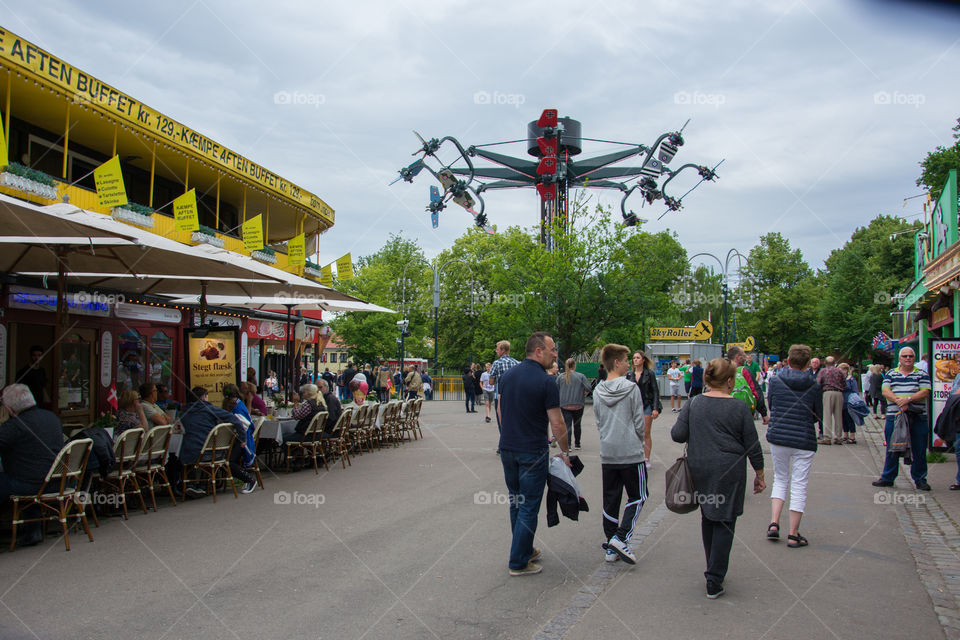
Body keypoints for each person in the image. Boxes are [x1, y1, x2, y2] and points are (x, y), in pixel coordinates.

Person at [671, 358, 765, 599]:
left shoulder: (693, 403)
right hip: (729, 470)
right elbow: (752, 444)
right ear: (731, 381)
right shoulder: (739, 407)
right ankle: (714, 577)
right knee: (724, 520)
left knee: (709, 516)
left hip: (700, 467)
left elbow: (677, 435)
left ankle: (713, 565)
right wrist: (760, 473)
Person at [498, 332, 569, 576]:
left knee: (516, 500)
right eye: (552, 349)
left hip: (508, 447)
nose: (555, 354)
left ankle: (524, 549)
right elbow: (557, 423)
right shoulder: (546, 381)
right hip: (532, 450)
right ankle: (518, 562)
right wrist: (566, 451)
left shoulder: (507, 376)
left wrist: (507, 432)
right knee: (528, 505)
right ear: (538, 351)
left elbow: (499, 409)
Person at [593, 344, 648, 565]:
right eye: (626, 360)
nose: (628, 363)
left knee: (611, 498)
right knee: (638, 495)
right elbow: (638, 421)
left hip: (609, 452)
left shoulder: (597, 390)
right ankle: (621, 536)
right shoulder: (631, 388)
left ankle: (611, 545)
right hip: (631, 452)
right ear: (616, 362)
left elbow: (598, 421)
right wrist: (640, 440)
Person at [766, 344, 820, 549]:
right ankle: (793, 533)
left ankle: (774, 522)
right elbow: (817, 413)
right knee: (799, 484)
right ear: (808, 364)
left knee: (779, 478)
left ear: (788, 361)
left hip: (778, 435)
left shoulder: (775, 380)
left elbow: (772, 404)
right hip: (804, 438)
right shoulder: (814, 385)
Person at [0, 384, 65, 546]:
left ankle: (27, 529)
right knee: (28, 473)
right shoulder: (51, 418)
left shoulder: (14, 425)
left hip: (30, 484)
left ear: (9, 408)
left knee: (8, 480)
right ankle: (32, 531)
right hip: (57, 482)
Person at [178, 387, 257, 495]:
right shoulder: (210, 409)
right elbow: (236, 421)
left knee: (185, 451)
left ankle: (190, 484)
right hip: (212, 453)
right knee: (223, 456)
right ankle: (202, 485)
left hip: (190, 454)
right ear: (203, 397)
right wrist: (243, 439)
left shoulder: (183, 412)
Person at [873, 347, 932, 491]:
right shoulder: (891, 374)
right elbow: (885, 390)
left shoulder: (922, 374)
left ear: (914, 358)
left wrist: (908, 399)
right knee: (892, 448)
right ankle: (888, 477)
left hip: (917, 417)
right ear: (899, 359)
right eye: (904, 356)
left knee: (919, 448)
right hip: (895, 416)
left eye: (910, 356)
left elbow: (925, 391)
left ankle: (920, 479)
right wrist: (899, 401)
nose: (908, 358)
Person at [626, 350, 661, 462]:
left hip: (646, 404)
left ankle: (646, 458)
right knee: (633, 432)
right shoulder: (629, 374)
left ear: (643, 360)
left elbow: (655, 391)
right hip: (633, 406)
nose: (635, 359)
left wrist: (655, 408)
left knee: (646, 432)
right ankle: (635, 455)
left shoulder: (649, 374)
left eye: (638, 357)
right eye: (634, 358)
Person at [489, 340, 521, 451]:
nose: (496, 351)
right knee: (515, 420)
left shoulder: (496, 363)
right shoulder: (517, 363)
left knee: (501, 421)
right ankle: (516, 442)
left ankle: (505, 444)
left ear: (503, 350)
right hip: (516, 396)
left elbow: (491, 382)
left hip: (500, 396)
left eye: (497, 349)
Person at [557, 358, 592, 450]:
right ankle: (577, 444)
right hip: (578, 403)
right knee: (577, 425)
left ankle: (568, 445)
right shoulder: (581, 376)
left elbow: (555, 389)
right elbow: (589, 387)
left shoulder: (561, 377)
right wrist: (585, 393)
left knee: (567, 425)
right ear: (574, 366)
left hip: (564, 404)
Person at [222, 383, 256, 467]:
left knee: (225, 457)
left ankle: (245, 478)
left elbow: (243, 427)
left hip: (243, 441)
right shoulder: (239, 402)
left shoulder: (236, 408)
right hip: (244, 439)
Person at [816, 356, 846, 445]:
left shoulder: (823, 371)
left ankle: (827, 437)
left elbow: (818, 383)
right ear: (834, 362)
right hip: (839, 393)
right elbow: (844, 383)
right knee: (838, 416)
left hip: (827, 392)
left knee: (827, 415)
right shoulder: (839, 371)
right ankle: (838, 437)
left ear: (825, 363)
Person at [839, 363, 860, 444]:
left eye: (842, 369)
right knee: (843, 418)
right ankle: (845, 434)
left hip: (849, 401)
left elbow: (855, 390)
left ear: (846, 370)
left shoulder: (851, 379)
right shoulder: (840, 378)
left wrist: (855, 401)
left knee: (850, 419)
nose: (840, 371)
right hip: (841, 401)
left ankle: (852, 436)